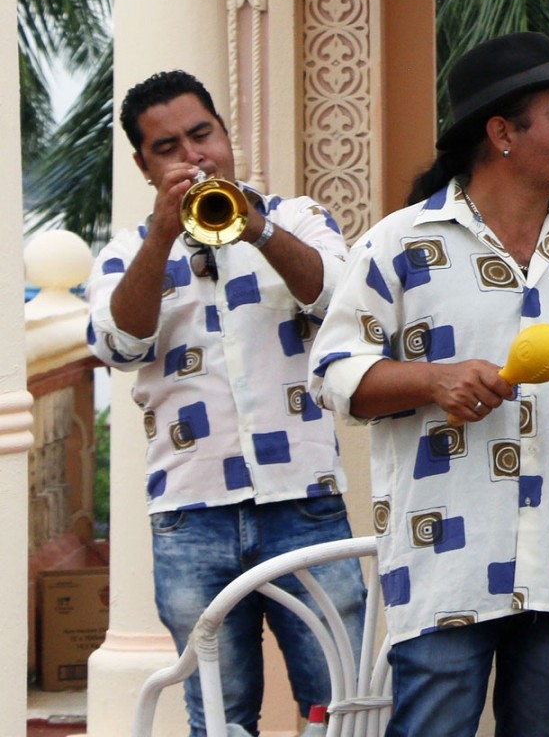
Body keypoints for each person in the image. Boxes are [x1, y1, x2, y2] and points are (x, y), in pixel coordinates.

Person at [311, 32, 549, 737]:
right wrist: (433, 380)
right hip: (443, 560)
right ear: (503, 133)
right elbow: (333, 373)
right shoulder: (399, 245)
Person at [85, 70, 365, 737]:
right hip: (191, 514)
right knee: (219, 714)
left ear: (224, 131)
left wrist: (257, 230)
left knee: (340, 702)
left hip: (305, 499)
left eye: (202, 135)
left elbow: (336, 298)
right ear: (143, 163)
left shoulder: (294, 217)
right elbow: (117, 344)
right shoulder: (128, 250)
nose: (192, 155)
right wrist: (160, 237)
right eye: (168, 147)